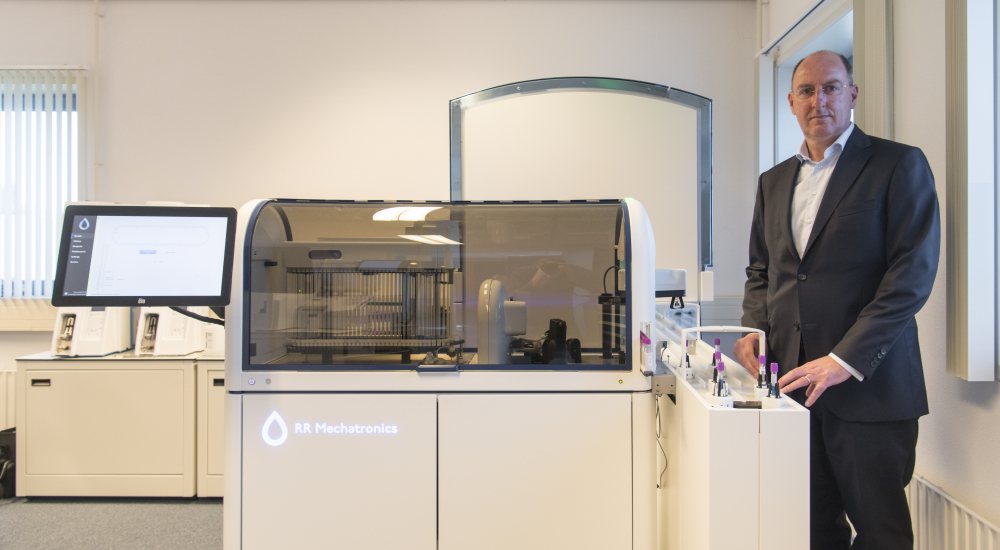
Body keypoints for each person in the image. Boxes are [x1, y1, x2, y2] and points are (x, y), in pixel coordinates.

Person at [732, 50, 940, 550]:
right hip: (792, 388)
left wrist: (844, 359)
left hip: (870, 390)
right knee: (810, 528)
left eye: (830, 88)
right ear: (791, 102)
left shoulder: (897, 164)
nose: (818, 101)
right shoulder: (773, 182)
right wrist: (753, 329)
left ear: (852, 94)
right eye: (807, 91)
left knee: (882, 534)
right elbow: (762, 271)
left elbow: (910, 277)